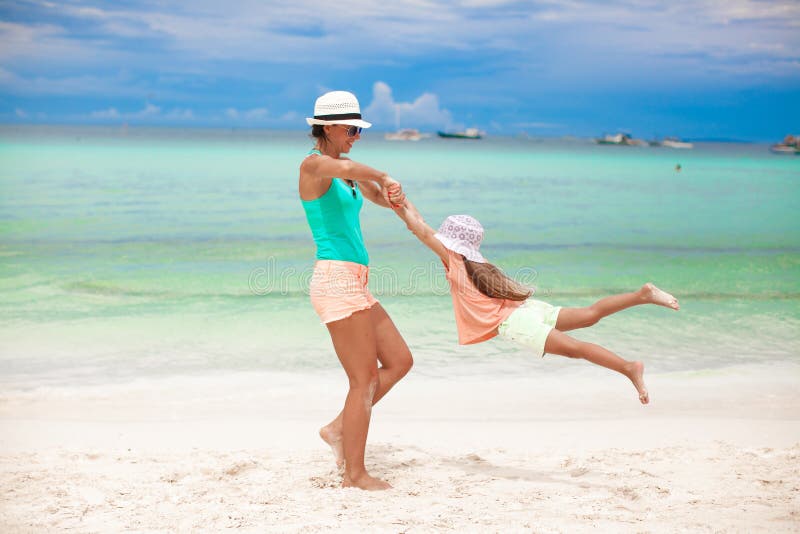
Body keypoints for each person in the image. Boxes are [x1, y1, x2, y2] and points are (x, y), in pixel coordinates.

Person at [390, 197, 680, 404]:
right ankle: (642, 295)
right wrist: (402, 200)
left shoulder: (453, 259)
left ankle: (628, 368)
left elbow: (420, 228)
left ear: (448, 240)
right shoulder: (481, 263)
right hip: (528, 310)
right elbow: (421, 225)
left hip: (515, 322)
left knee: (577, 349)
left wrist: (399, 205)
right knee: (590, 314)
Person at [299, 91, 413, 491]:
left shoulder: (344, 175)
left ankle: (337, 429)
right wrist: (381, 174)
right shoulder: (314, 166)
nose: (356, 136)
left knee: (400, 361)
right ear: (328, 127)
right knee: (362, 381)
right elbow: (347, 166)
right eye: (351, 129)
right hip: (335, 281)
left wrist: (393, 201)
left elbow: (370, 193)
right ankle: (355, 474)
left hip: (356, 281)